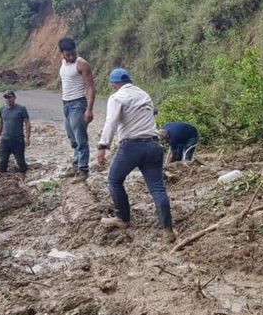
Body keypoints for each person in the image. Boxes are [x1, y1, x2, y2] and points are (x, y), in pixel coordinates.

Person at [96, 68, 176, 242]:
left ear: (114, 85)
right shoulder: (144, 95)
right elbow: (152, 113)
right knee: (157, 188)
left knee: (114, 180)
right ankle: (167, 229)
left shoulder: (117, 97)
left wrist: (103, 146)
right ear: (129, 81)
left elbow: (111, 122)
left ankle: (122, 218)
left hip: (131, 147)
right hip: (154, 146)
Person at [58, 37, 95, 179]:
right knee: (72, 138)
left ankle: (83, 169)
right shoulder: (63, 63)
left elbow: (90, 86)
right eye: (68, 55)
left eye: (73, 53)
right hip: (66, 104)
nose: (71, 57)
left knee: (80, 138)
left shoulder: (82, 64)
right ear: (61, 53)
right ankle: (75, 165)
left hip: (78, 104)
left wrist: (89, 109)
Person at [0, 90, 30, 174]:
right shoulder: (2, 109)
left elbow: (27, 123)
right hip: (5, 140)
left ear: (14, 98)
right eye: (6, 97)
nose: (8, 99)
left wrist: (27, 138)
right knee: (2, 163)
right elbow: (0, 124)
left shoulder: (21, 109)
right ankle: (4, 181)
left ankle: (24, 178)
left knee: (21, 164)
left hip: (18, 140)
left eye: (10, 97)